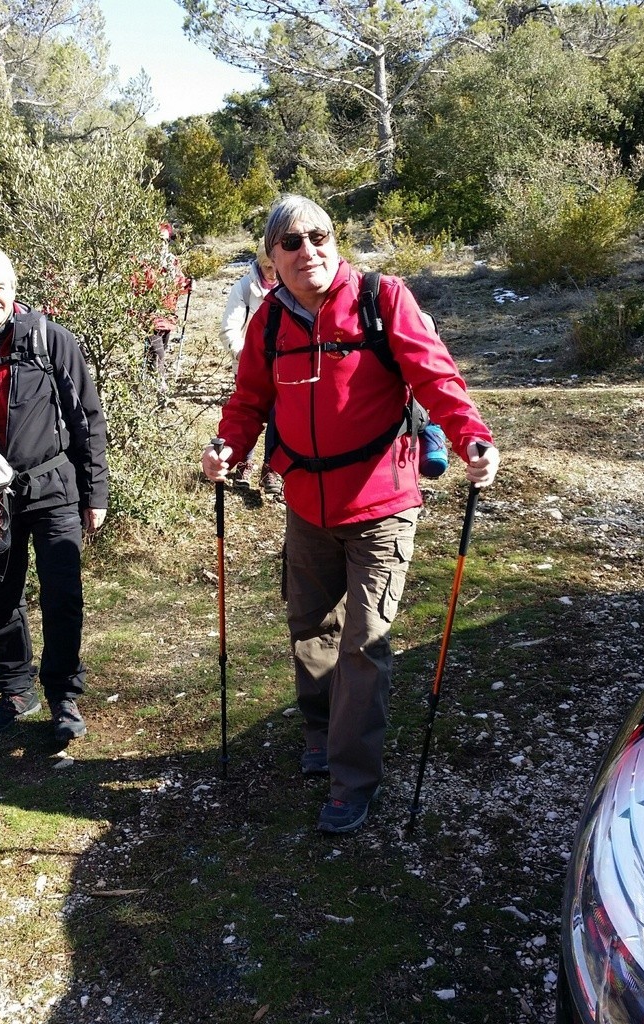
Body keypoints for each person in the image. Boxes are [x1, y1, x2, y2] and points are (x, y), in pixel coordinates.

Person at [202, 195, 500, 834]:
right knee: (310, 625)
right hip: (306, 503)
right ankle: (319, 728)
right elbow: (249, 399)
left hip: (382, 502)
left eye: (320, 235)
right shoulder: (269, 322)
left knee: (363, 641)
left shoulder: (380, 298)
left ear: (335, 241)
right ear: (271, 259)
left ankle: (351, 778)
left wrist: (471, 436)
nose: (308, 249)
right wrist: (228, 447)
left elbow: (435, 376)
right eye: (292, 242)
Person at [0, 246, 109, 744]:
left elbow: (88, 421)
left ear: (14, 289)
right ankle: (14, 690)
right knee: (1, 596)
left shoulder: (52, 340)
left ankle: (62, 695)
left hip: (54, 487)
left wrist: (95, 494)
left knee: (62, 596)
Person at [219, 240, 282, 495]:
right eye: (267, 267)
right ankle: (244, 464)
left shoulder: (291, 286)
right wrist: (244, 354)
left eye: (274, 266)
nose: (272, 273)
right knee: (249, 410)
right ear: (259, 263)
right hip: (248, 364)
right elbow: (228, 329)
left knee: (279, 416)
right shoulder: (244, 289)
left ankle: (272, 468)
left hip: (281, 365)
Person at [142, 222, 193, 381]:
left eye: (164, 241)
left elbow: (179, 284)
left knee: (157, 352)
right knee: (158, 354)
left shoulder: (172, 262)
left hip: (168, 316)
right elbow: (137, 287)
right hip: (150, 317)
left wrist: (188, 284)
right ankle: (160, 386)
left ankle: (146, 384)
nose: (161, 244)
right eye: (158, 240)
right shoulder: (145, 264)